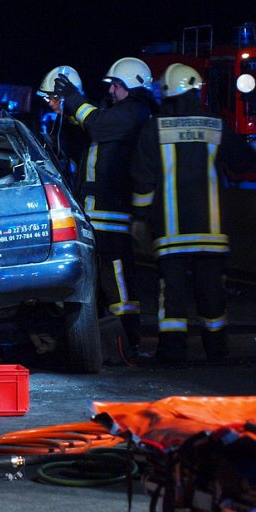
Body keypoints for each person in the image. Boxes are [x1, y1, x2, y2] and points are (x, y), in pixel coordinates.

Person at [130, 63, 256, 364]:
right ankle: (216, 350)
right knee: (212, 292)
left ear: (167, 91)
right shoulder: (215, 125)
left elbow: (142, 178)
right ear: (197, 90)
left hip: (171, 232)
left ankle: (172, 352)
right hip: (210, 231)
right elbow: (242, 161)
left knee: (172, 293)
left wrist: (140, 217)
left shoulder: (154, 127)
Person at [54, 56, 157, 357]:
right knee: (99, 283)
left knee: (118, 283)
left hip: (113, 214)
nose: (111, 90)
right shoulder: (114, 113)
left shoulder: (135, 112)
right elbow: (82, 137)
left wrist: (74, 98)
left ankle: (129, 341)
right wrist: (66, 111)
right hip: (94, 214)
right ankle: (107, 343)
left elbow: (96, 125)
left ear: (132, 85)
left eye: (116, 84)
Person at [37, 66, 89, 195]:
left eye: (55, 98)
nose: (50, 103)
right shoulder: (60, 122)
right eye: (48, 98)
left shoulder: (85, 123)